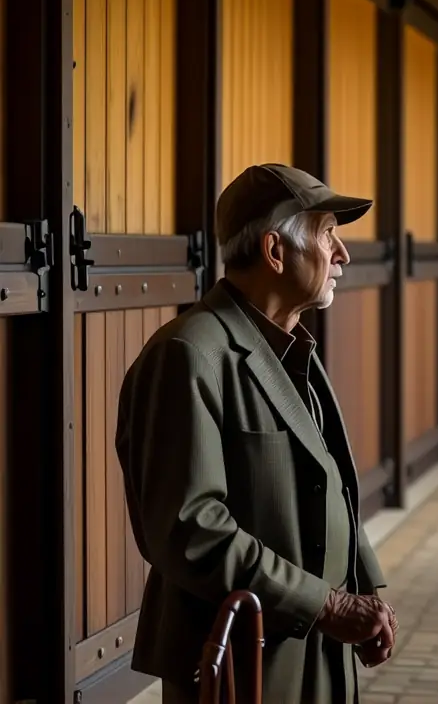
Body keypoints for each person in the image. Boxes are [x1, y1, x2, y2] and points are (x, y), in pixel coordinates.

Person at [115, 163, 398, 703]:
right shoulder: (189, 355)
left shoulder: (291, 345)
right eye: (327, 234)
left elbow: (330, 481)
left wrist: (367, 588)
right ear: (275, 252)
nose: (342, 255)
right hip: (241, 658)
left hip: (316, 645)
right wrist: (329, 605)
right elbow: (188, 528)